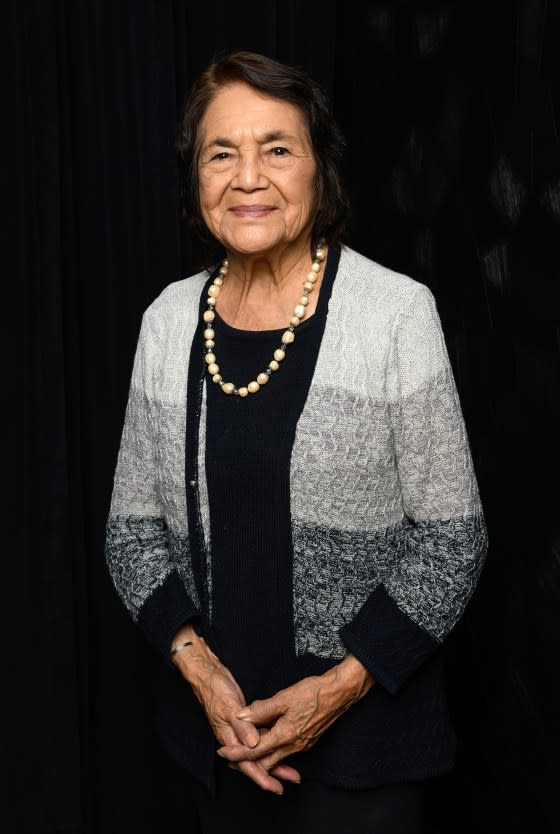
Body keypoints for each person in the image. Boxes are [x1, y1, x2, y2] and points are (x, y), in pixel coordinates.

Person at [104, 50, 488, 833]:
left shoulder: (395, 314)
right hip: (215, 743)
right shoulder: (168, 321)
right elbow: (130, 529)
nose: (249, 177)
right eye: (222, 153)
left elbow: (454, 539)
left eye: (277, 148)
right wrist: (202, 673)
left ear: (321, 170)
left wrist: (336, 689)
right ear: (196, 177)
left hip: (364, 759)